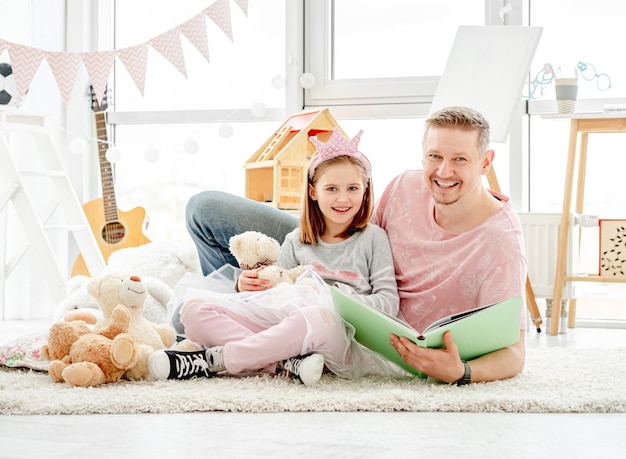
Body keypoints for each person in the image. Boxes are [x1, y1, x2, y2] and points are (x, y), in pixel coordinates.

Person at [177, 105, 528, 385]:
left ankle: (220, 354)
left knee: (196, 323)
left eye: (460, 159)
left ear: (485, 163)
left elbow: (514, 352)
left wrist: (463, 372)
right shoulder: (405, 186)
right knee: (205, 211)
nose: (443, 171)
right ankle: (268, 345)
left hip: (361, 326)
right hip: (321, 273)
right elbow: (350, 239)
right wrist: (257, 283)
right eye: (434, 156)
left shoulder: (501, 244)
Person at [149, 128, 400, 386]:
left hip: (337, 337)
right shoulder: (296, 240)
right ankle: (280, 364)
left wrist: (333, 298)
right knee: (194, 310)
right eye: (332, 188)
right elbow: (276, 291)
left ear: (365, 189)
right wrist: (245, 285)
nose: (343, 198)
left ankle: (217, 360)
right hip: (285, 331)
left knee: (315, 316)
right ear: (314, 192)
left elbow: (389, 302)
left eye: (352, 188)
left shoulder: (373, 238)